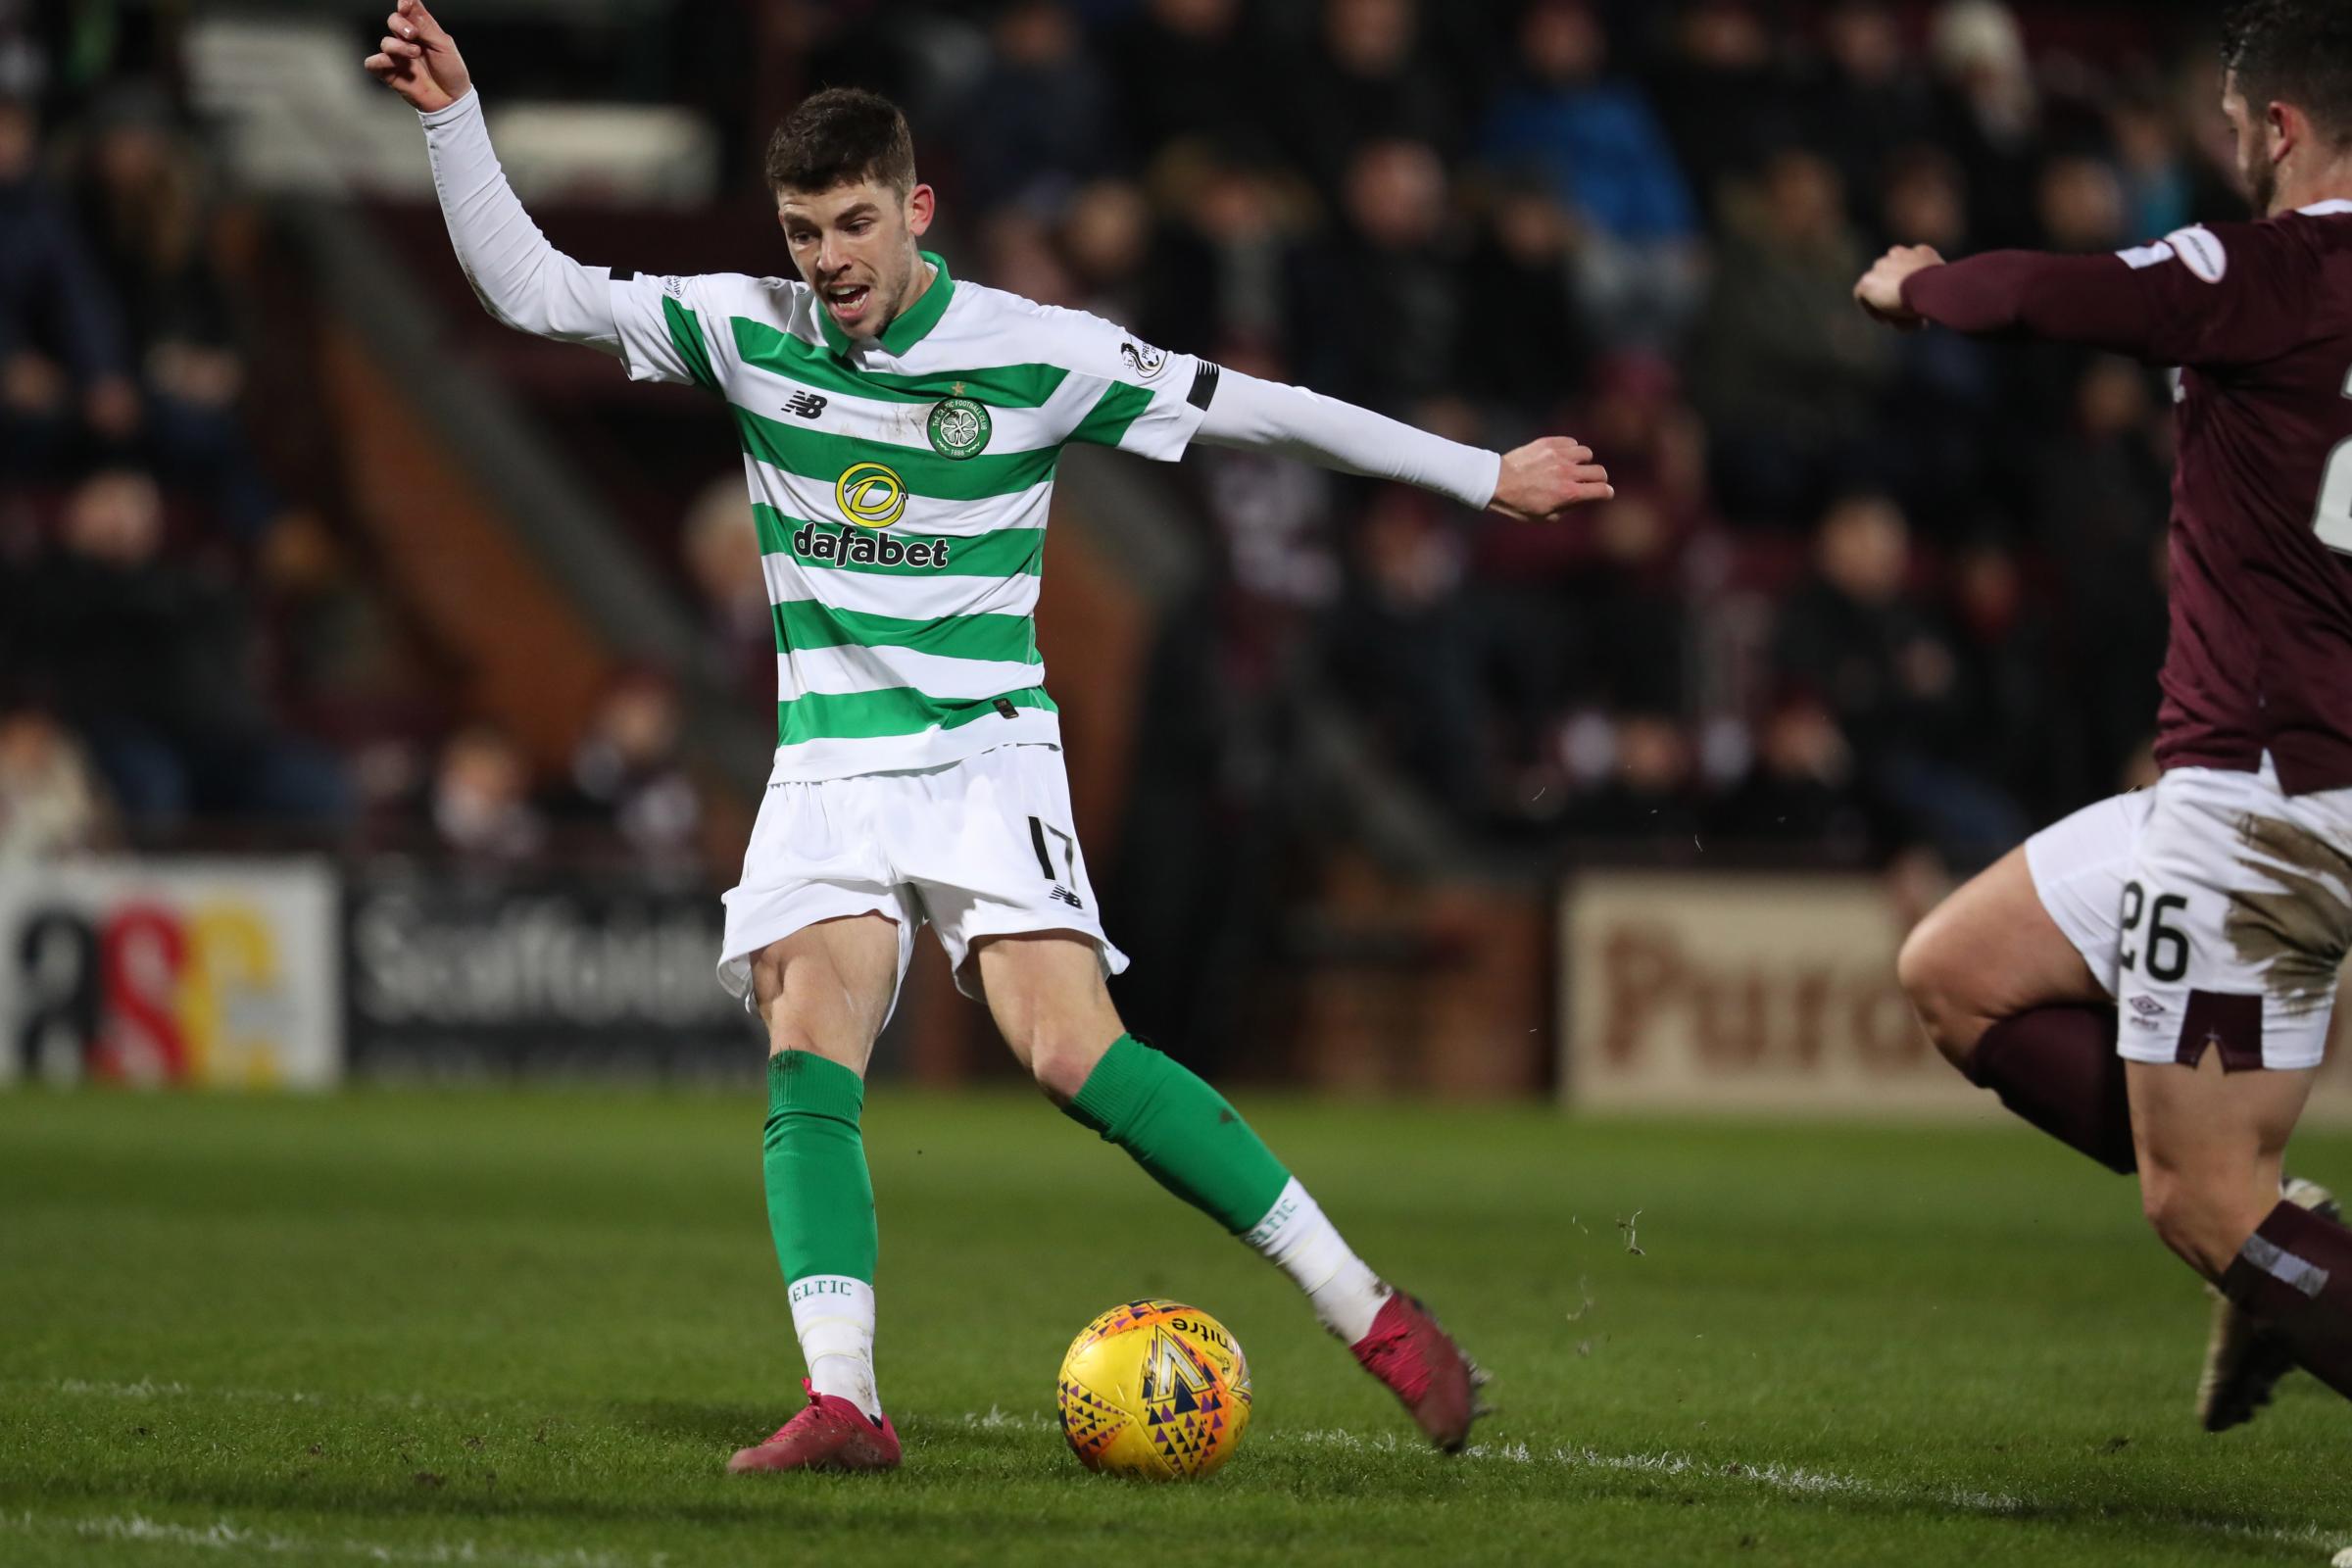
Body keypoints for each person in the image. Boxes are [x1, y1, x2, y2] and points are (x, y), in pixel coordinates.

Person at [365, 0, 1612, 1474]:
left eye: (850, 225)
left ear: (916, 211)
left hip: (982, 753)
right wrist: (455, 119)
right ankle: (847, 1403)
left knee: (1074, 1055)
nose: (826, 262)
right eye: (801, 230)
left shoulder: (1034, 352)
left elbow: (1255, 411)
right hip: (830, 762)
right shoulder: (748, 330)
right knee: (806, 1039)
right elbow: (536, 292)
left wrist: (1482, 476)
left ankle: (1372, 1315)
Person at [1856, 0, 2352, 1437]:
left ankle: (2270, 1252)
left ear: (2276, 127)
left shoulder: (2271, 268)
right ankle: (2288, 1250)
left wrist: (1922, 287)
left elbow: (2062, 293)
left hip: (2262, 802)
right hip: (2268, 782)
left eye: (2227, 126)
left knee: (2201, 1206)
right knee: (1958, 973)